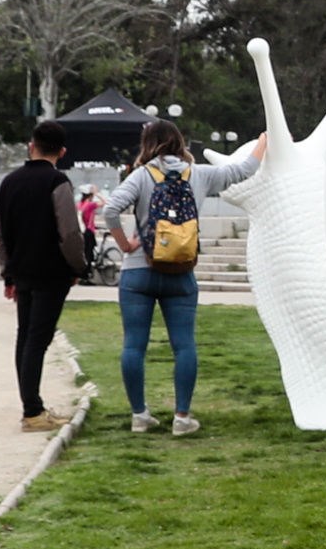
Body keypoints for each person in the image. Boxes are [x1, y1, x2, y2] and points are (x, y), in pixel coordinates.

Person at [100, 118, 264, 436]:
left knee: (134, 345)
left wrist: (126, 244)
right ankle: (182, 417)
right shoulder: (199, 175)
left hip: (138, 269)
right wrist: (263, 142)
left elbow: (110, 210)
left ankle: (139, 415)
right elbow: (244, 170)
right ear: (179, 141)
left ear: (148, 145)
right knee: (184, 346)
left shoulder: (141, 176)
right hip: (181, 271)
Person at [0, 121, 87, 431]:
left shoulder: (9, 182)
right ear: (62, 151)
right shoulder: (58, 182)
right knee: (38, 340)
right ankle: (32, 411)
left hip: (22, 272)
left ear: (31, 145)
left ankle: (31, 405)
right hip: (51, 272)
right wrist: (77, 266)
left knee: (25, 337)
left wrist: (8, 272)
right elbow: (70, 232)